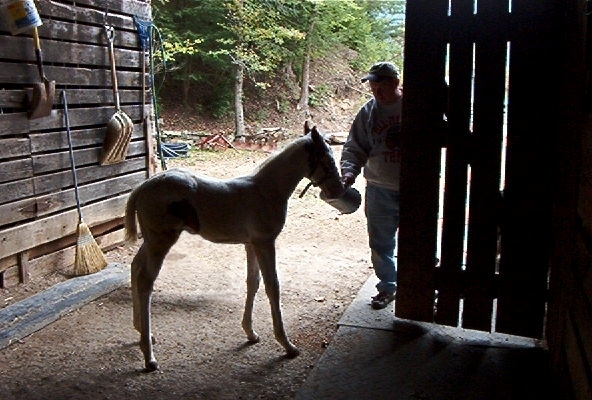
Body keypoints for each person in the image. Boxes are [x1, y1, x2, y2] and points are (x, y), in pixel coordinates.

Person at [340, 61, 402, 310]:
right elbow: (354, 146)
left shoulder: (416, 104)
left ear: (396, 83)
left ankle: (423, 285)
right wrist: (348, 173)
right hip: (379, 187)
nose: (376, 91)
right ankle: (388, 287)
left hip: (418, 188)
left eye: (381, 85)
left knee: (421, 240)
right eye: (373, 86)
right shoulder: (368, 112)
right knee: (381, 242)